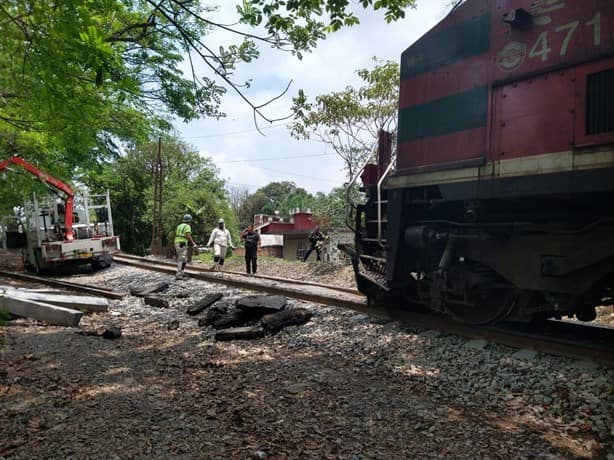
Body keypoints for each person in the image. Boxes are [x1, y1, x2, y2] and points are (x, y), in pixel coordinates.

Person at [174, 214, 197, 280]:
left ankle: (181, 272)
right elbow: (188, 235)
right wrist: (193, 244)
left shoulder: (179, 226)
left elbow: (177, 234)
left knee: (182, 259)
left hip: (177, 242)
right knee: (182, 259)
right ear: (189, 221)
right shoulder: (187, 226)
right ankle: (179, 274)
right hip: (182, 243)